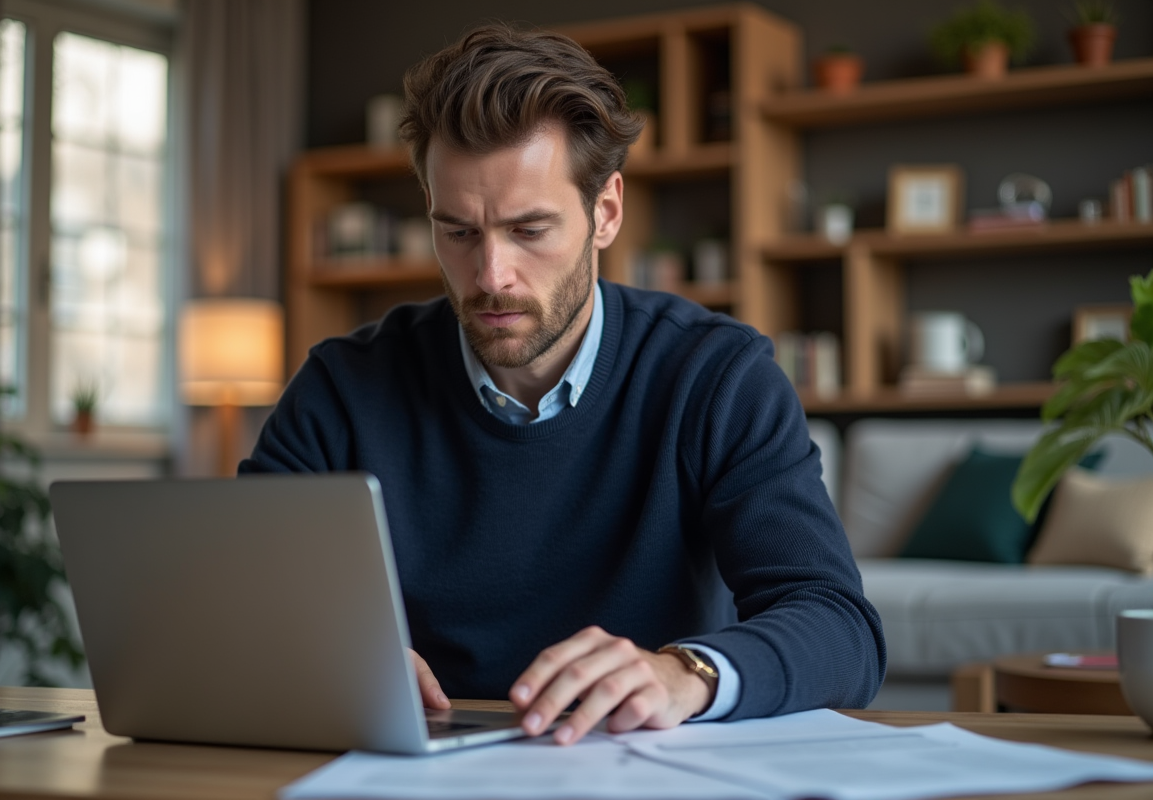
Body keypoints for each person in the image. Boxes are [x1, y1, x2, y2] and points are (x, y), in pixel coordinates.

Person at [241, 23, 885, 746]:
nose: (491, 277)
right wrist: (323, 651)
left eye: (529, 230)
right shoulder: (340, 388)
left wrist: (684, 674)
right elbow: (236, 595)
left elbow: (839, 626)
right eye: (457, 232)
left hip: (640, 769)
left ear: (605, 212)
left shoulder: (717, 376)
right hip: (409, 773)